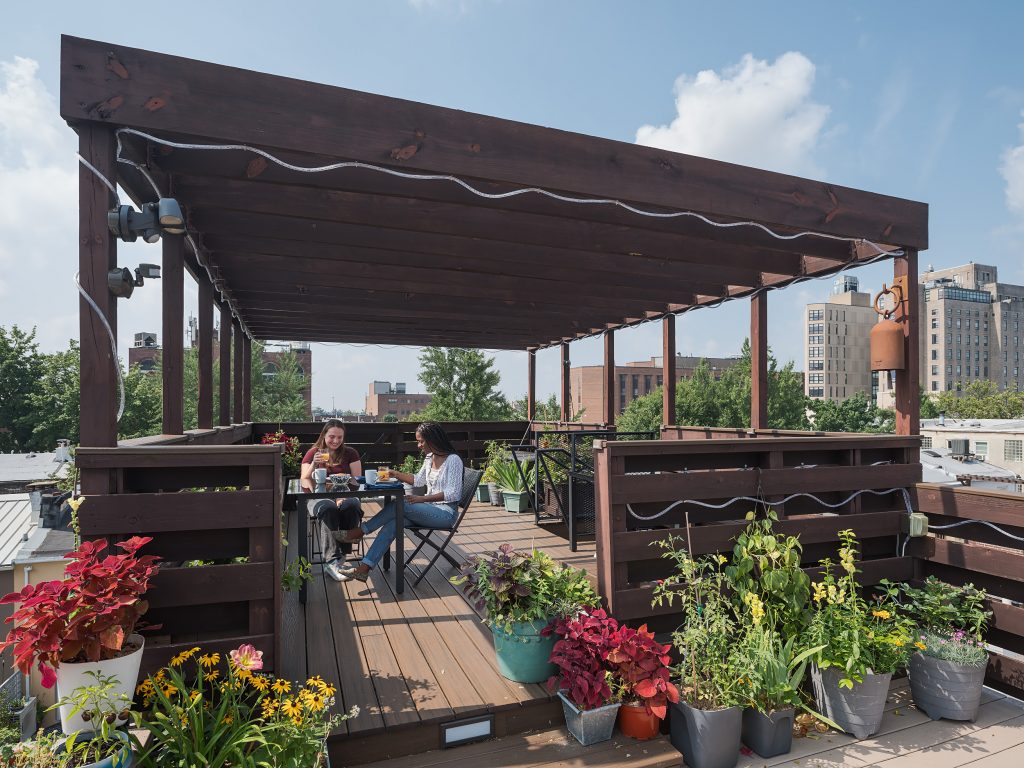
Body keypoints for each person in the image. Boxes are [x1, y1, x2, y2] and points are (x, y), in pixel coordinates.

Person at [337, 422, 463, 582]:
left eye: (421, 441)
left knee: (401, 504)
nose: (419, 445)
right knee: (395, 521)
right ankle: (365, 567)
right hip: (429, 510)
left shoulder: (453, 460)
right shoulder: (430, 457)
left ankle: (361, 531)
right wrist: (394, 473)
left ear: (433, 439)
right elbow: (418, 480)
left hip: (445, 514)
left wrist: (422, 498)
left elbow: (453, 493)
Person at [300, 419, 363, 582]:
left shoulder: (350, 453)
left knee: (352, 505)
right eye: (332, 437)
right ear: (324, 435)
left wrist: (343, 496)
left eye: (339, 437)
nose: (335, 441)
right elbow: (304, 479)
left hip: (345, 495)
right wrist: (314, 462)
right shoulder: (314, 452)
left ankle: (342, 554)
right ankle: (332, 562)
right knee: (328, 508)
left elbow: (357, 481)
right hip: (318, 496)